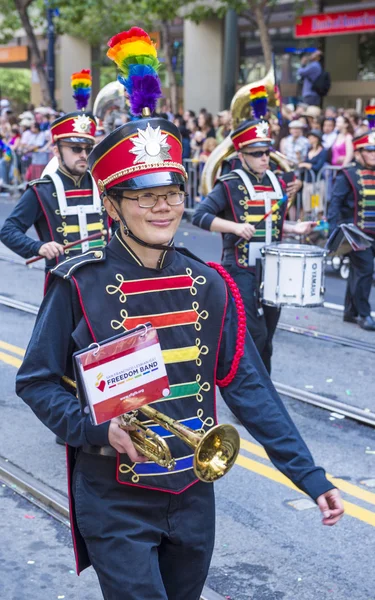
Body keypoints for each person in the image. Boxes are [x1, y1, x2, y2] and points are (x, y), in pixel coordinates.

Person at [16, 27, 343, 600]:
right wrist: (96, 430)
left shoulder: (208, 283)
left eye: (170, 192)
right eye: (143, 195)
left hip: (193, 495)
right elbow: (37, 381)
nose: (162, 206)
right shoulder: (79, 281)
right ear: (112, 204)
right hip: (112, 494)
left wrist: (309, 477)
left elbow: (249, 387)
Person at [193, 91, 314, 374]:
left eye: (267, 152)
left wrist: (296, 227)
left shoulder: (278, 181)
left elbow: (272, 224)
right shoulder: (229, 183)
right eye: (257, 153)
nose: (264, 158)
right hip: (240, 268)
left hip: (273, 269)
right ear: (242, 155)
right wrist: (235, 227)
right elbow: (199, 216)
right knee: (253, 335)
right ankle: (246, 389)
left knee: (268, 337)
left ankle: (264, 390)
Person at [0, 70, 110, 274]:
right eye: (76, 149)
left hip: (104, 282)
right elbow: (8, 231)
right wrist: (39, 247)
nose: (84, 155)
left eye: (88, 149)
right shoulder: (41, 191)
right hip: (63, 283)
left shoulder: (103, 186)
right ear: (56, 150)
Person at [328, 127, 375, 331]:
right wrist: (332, 234)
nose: (374, 155)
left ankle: (349, 311)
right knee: (365, 270)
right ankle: (364, 314)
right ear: (358, 153)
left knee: (359, 272)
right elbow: (335, 204)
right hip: (356, 234)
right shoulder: (348, 174)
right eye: (370, 151)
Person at [299, 129, 328, 214]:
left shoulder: (322, 151)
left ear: (316, 138)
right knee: (307, 206)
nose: (309, 139)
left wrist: (307, 165)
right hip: (307, 181)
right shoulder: (309, 150)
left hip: (317, 183)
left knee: (316, 206)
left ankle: (317, 223)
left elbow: (318, 166)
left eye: (311, 137)